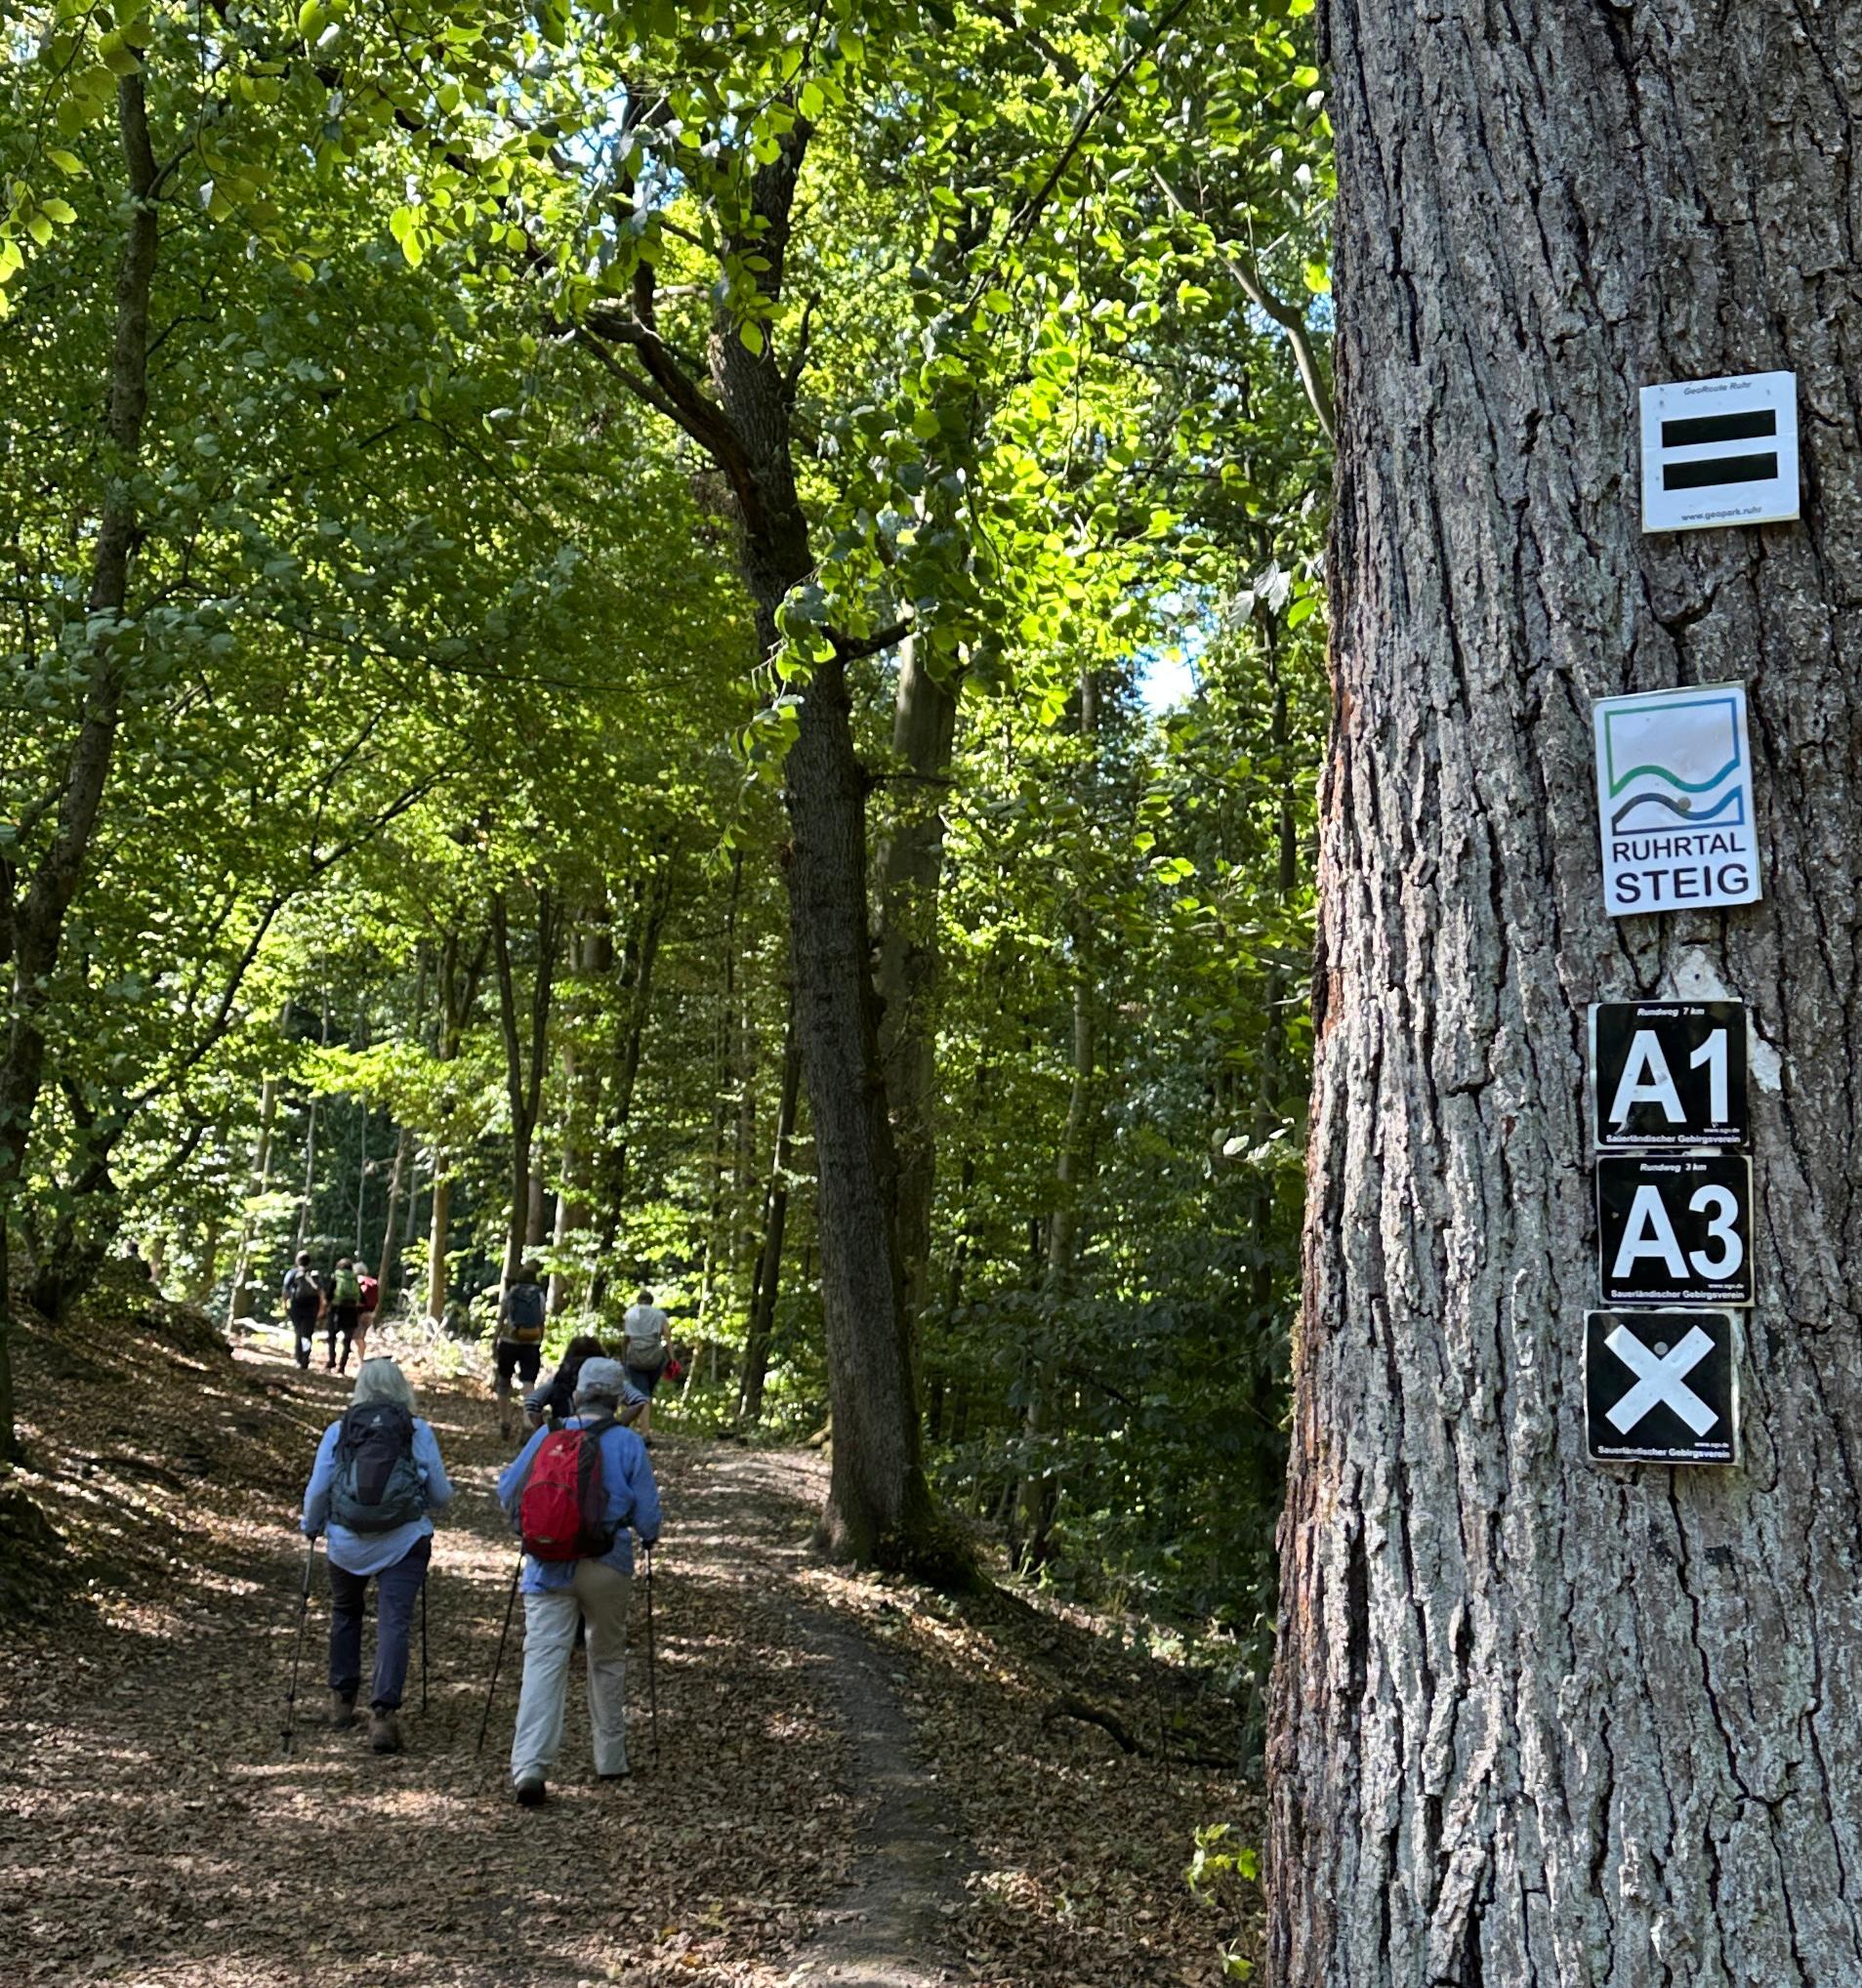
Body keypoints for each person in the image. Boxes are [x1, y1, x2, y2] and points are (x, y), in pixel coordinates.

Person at [497, 1357, 660, 1805]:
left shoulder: (547, 1435)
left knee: (543, 1662)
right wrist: (648, 1535)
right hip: (607, 1563)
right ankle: (610, 1758)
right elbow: (648, 1518)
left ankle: (530, 1767)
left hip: (548, 1564)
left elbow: (508, 1490)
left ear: (577, 1394)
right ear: (616, 1400)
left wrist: (529, 1527)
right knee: (606, 1658)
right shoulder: (628, 1442)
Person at [301, 1358, 453, 1754]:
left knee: (345, 1611)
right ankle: (383, 1715)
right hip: (403, 1540)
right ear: (403, 1389)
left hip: (346, 1541)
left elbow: (319, 1489)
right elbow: (440, 1494)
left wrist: (312, 1525)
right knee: (393, 1622)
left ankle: (341, 1701)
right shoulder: (416, 1430)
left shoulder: (340, 1429)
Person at [493, 1261, 549, 1441]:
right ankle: (527, 1424)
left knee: (504, 1382)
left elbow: (502, 1318)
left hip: (509, 1341)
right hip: (531, 1343)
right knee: (528, 1383)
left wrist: (495, 1340)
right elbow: (542, 1320)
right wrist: (539, 1339)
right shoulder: (539, 1295)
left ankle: (505, 1423)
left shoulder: (511, 1293)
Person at [523, 1335, 607, 1430]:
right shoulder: (606, 1375)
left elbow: (532, 1402)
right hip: (600, 1430)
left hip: (564, 1432)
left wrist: (544, 1430)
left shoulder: (563, 1375)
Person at [619, 1289, 671, 1436]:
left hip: (635, 1358)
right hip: (655, 1358)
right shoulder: (659, 1314)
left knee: (641, 1393)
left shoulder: (630, 1314)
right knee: (646, 1393)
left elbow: (625, 1339)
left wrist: (623, 1357)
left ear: (638, 1300)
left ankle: (641, 1430)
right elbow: (667, 1336)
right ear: (651, 1301)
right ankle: (644, 1431)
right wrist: (671, 1358)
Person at [283, 1252, 325, 1372]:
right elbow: (321, 1292)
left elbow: (285, 1290)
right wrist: (322, 1308)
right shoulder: (314, 1275)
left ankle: (298, 1359)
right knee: (307, 1334)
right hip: (312, 1307)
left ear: (297, 1261)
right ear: (310, 1262)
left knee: (298, 1332)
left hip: (296, 1306)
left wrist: (285, 1304)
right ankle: (305, 1358)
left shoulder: (292, 1273)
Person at [327, 1256, 363, 1373]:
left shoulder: (336, 1276)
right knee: (347, 1340)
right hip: (351, 1311)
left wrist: (328, 1304)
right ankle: (342, 1366)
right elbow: (362, 1298)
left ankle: (332, 1360)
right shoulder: (354, 1278)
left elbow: (329, 1295)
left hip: (336, 1310)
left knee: (332, 1337)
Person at [354, 1262, 381, 1361]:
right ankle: (361, 1358)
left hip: (360, 1313)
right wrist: (374, 1313)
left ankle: (361, 1360)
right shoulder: (373, 1282)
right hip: (370, 1313)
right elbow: (377, 1300)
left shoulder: (357, 1281)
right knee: (362, 1337)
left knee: (358, 1338)